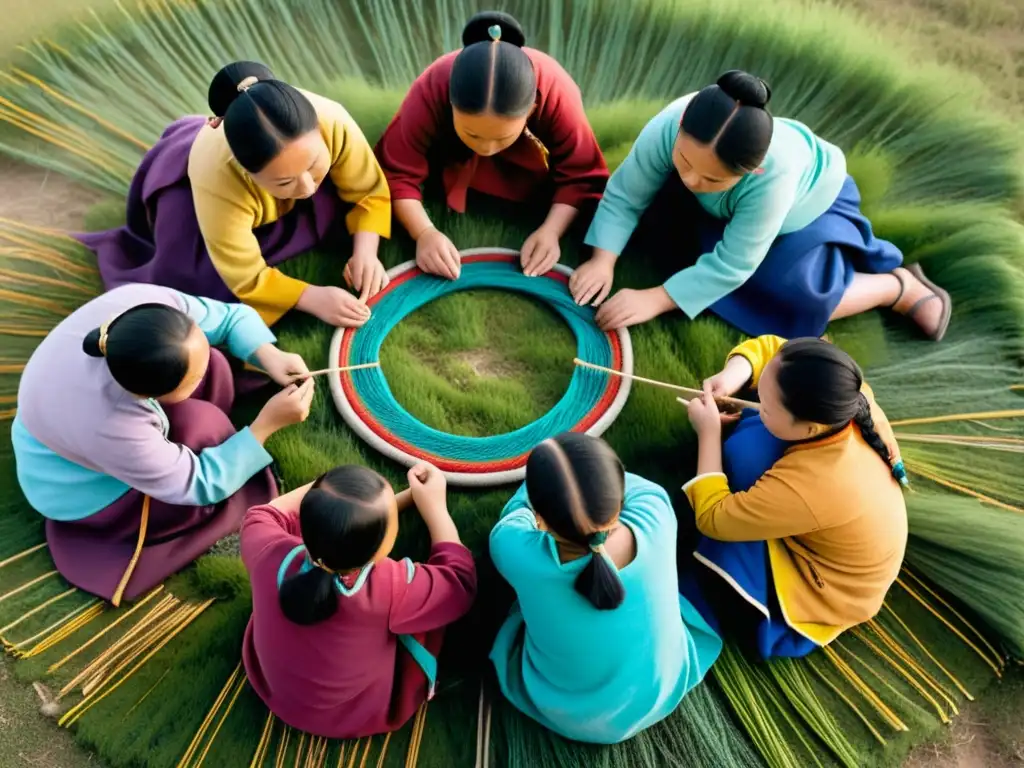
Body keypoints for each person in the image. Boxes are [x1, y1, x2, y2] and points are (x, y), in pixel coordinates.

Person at [570, 71, 952, 341]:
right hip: (719, 211)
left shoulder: (774, 176)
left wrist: (656, 298)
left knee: (786, 295)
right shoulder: (671, 124)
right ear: (682, 124)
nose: (691, 181)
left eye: (712, 179)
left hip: (801, 214)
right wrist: (602, 260)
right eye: (683, 162)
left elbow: (734, 264)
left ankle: (895, 286)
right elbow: (626, 191)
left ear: (755, 168)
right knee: (650, 228)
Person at [11, 283, 314, 605]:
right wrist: (266, 426)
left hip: (82, 423)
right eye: (194, 379)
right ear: (148, 395)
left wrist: (269, 354)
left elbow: (229, 318)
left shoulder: (146, 305)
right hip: (76, 485)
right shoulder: (114, 425)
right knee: (204, 426)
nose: (204, 371)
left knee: (214, 362)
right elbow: (198, 483)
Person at [79, 61, 392, 328]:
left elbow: (368, 192)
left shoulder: (332, 119)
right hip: (198, 191)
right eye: (284, 183)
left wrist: (366, 250)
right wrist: (311, 297)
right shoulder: (217, 173)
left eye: (313, 165)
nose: (308, 189)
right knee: (195, 285)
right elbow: (245, 276)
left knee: (333, 212)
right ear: (247, 172)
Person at [681, 335, 908, 658]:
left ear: (811, 428)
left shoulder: (814, 486)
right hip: (831, 519)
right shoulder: (841, 393)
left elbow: (713, 518)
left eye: (767, 406)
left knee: (737, 469)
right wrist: (735, 375)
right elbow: (778, 350)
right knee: (748, 449)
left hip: (821, 591)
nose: (756, 401)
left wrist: (709, 435)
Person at [488, 433, 722, 744]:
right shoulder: (656, 509)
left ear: (540, 520)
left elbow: (516, 512)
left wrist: (549, 479)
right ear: (619, 499)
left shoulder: (513, 548)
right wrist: (587, 472)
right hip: (661, 689)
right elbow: (621, 483)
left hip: (570, 712)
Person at [241, 462, 477, 739]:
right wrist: (434, 507)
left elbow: (269, 511)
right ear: (379, 549)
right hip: (349, 716)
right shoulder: (390, 587)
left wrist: (337, 488)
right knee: (425, 619)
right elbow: (458, 582)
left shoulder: (264, 543)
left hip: (274, 691)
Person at [375, 11, 609, 281]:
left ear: (532, 109)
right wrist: (424, 233)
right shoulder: (433, 84)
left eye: (501, 137)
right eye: (473, 134)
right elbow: (396, 169)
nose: (486, 148)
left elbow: (581, 173)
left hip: (530, 168)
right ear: (450, 103)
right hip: (450, 156)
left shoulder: (557, 89)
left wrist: (551, 231)